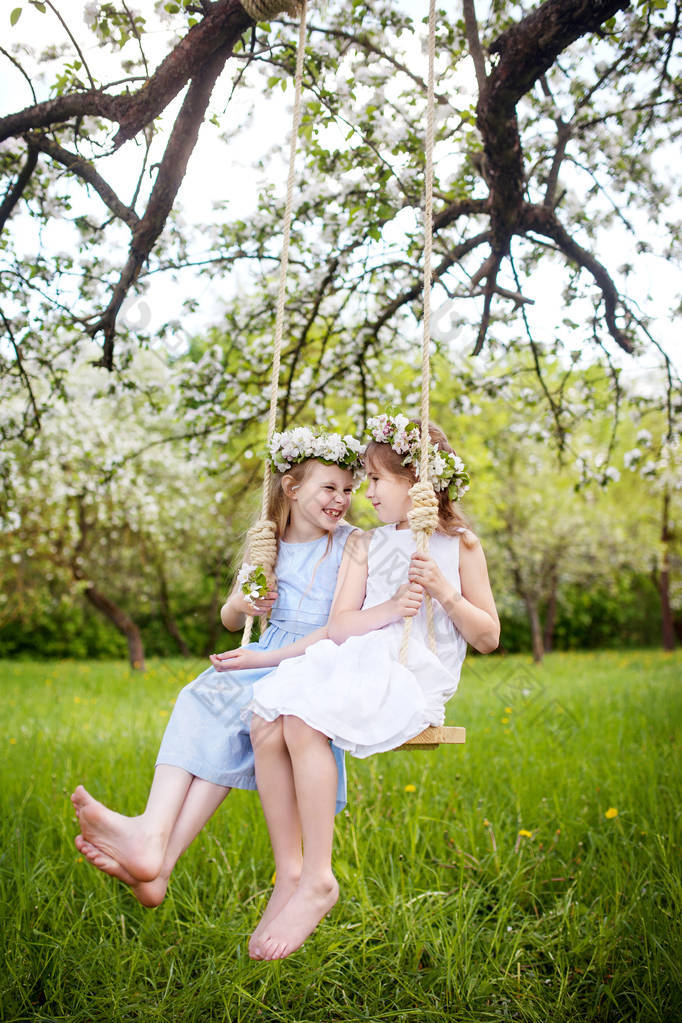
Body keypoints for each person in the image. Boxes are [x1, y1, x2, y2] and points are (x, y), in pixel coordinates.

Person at [70, 427, 365, 932]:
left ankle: (153, 847)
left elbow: (340, 626)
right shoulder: (265, 542)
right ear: (292, 489)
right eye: (328, 488)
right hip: (267, 651)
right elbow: (232, 617)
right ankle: (155, 849)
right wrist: (244, 604)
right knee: (202, 698)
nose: (340, 500)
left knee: (230, 710)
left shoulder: (353, 545)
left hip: (315, 659)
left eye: (346, 489)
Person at [245, 414, 500, 960]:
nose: (368, 491)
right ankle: (290, 871)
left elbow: (488, 637)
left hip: (411, 676)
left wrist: (444, 594)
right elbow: (339, 626)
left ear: (418, 482)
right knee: (266, 717)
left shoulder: (460, 546)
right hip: (358, 656)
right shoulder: (364, 545)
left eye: (378, 480)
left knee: (300, 717)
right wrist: (386, 609)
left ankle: (318, 876)